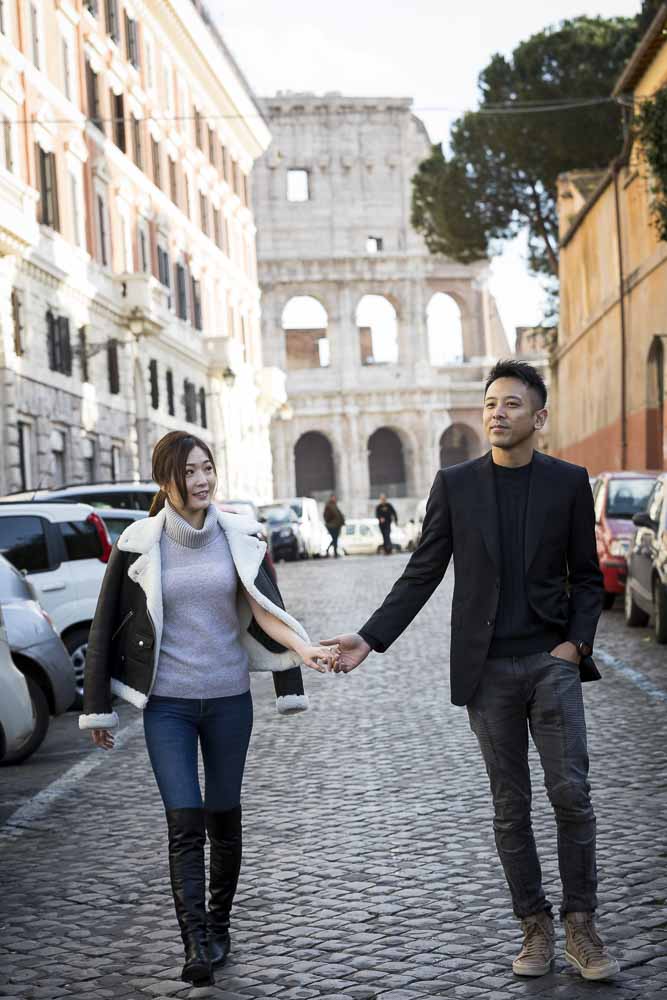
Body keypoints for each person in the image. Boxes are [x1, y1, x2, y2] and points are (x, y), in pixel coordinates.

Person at [322, 360, 619, 982]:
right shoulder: (455, 485)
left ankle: (581, 926)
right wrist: (370, 637)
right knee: (510, 806)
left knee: (571, 795)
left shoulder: (568, 482)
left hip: (551, 664)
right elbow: (423, 571)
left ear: (538, 418)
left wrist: (575, 647)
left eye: (511, 404)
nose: (496, 413)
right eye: (490, 403)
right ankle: (534, 927)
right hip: (486, 672)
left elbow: (587, 580)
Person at [79, 431, 336, 987]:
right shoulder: (138, 543)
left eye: (207, 468)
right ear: (165, 480)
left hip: (227, 701)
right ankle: (194, 940)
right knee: (183, 819)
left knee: (224, 813)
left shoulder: (239, 536)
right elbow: (105, 627)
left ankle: (219, 924)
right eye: (189, 472)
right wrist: (97, 708)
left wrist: (303, 647)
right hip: (166, 705)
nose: (201, 480)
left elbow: (265, 609)